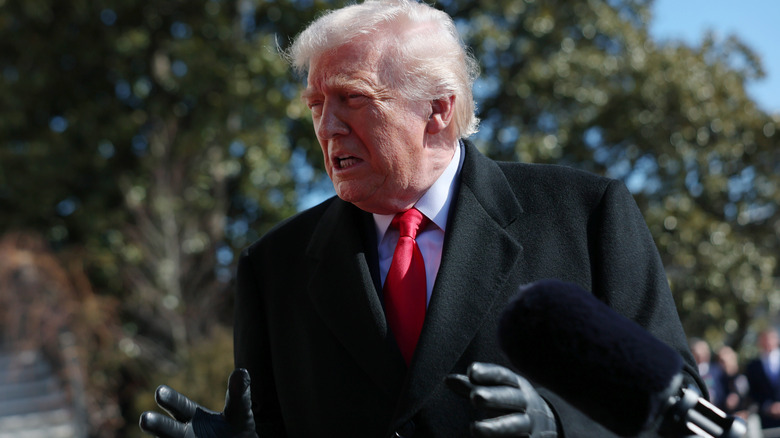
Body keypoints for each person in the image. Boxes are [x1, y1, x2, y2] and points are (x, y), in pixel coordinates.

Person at [139, 0, 705, 436]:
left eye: (352, 99)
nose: (327, 127)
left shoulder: (583, 217)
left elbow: (680, 410)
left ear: (438, 109)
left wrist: (557, 426)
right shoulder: (273, 267)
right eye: (316, 106)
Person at [746, 328, 780, 429]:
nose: (767, 342)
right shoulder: (753, 366)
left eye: (770, 339)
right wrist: (767, 406)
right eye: (764, 339)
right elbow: (753, 391)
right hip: (767, 420)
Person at [716, 345, 751, 419]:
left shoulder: (745, 375)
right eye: (721, 361)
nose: (724, 364)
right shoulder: (719, 380)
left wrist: (747, 412)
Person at [690, 337, 726, 408]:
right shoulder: (691, 371)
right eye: (699, 351)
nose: (702, 354)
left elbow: (722, 392)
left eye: (705, 350)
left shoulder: (717, 371)